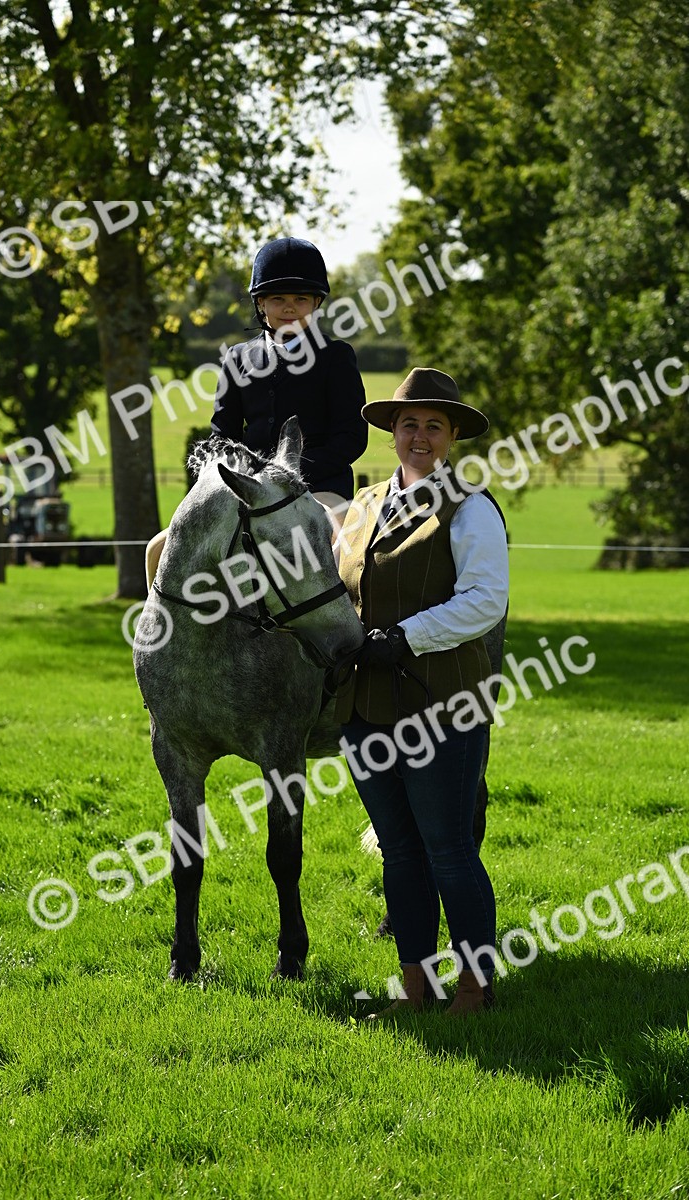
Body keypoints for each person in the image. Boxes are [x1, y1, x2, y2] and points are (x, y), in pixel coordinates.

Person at [335, 367, 509, 1016]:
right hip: (366, 711)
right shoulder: (363, 506)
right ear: (392, 432)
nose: (420, 435)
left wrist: (403, 637)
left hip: (445, 709)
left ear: (453, 435)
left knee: (449, 849)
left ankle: (475, 989)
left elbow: (484, 602)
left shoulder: (471, 508)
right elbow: (338, 590)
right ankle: (417, 987)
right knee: (401, 853)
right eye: (409, 423)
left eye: (434, 425)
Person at [145, 236, 367, 590]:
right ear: (261, 303)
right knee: (159, 548)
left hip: (318, 488)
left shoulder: (336, 356)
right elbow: (223, 434)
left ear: (316, 303)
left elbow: (351, 438)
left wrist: (285, 477)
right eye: (278, 298)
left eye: (300, 299)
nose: (289, 307)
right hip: (248, 488)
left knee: (341, 546)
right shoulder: (237, 357)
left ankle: (349, 633)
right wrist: (248, 477)